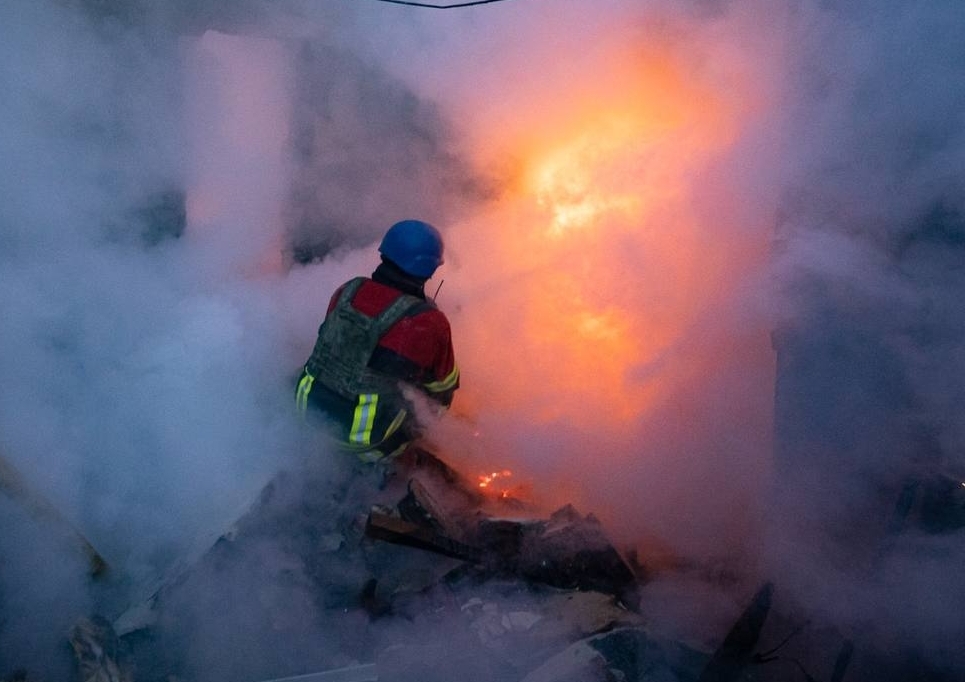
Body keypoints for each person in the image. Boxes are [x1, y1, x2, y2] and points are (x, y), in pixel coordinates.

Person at [295, 219, 459, 462]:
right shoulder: (428, 322)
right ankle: (391, 464)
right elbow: (443, 389)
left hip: (307, 415)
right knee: (427, 399)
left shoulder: (348, 290)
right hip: (363, 442)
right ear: (429, 269)